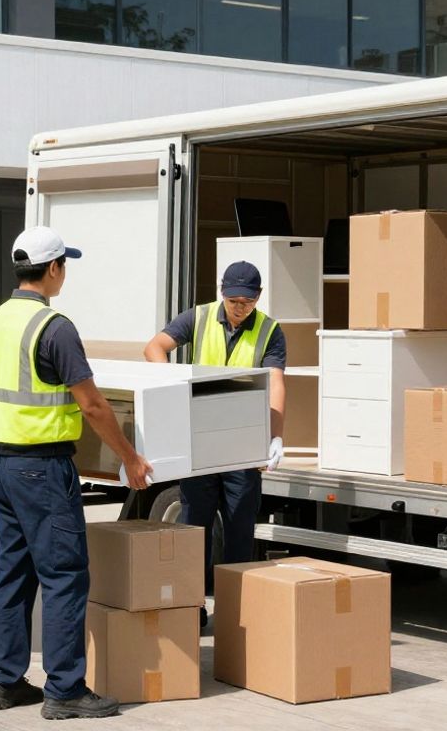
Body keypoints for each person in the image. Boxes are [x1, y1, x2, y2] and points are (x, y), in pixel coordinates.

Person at [0, 226, 153, 720]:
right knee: (63, 576)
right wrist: (130, 458)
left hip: (2, 465)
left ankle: (6, 683)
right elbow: (93, 405)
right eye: (65, 265)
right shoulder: (54, 328)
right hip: (43, 468)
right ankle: (65, 690)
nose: (65, 274)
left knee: (11, 574)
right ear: (53, 269)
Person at [142, 261, 286, 625]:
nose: (240, 308)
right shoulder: (199, 317)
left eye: (247, 302)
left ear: (258, 298)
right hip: (199, 443)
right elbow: (155, 347)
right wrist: (171, 387)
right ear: (221, 293)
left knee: (240, 530)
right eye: (234, 300)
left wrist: (275, 435)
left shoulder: (270, 330)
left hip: (240, 444)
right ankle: (193, 608)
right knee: (195, 529)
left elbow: (276, 382)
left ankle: (235, 611)